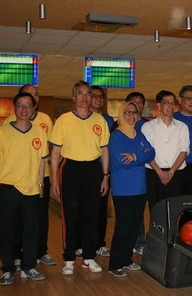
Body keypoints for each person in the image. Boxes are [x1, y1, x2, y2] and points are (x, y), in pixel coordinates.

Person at [0, 93, 48, 285]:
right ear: (14, 109)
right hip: (9, 188)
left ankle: (29, 267)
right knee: (7, 231)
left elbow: (41, 161)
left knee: (31, 230)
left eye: (28, 105)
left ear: (33, 109)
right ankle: (8, 269)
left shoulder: (39, 132)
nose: (24, 109)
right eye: (20, 105)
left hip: (31, 189)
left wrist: (40, 184)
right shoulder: (1, 132)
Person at [49, 81, 110, 276]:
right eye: (81, 93)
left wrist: (105, 176)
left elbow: (104, 150)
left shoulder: (99, 120)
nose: (85, 97)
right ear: (74, 97)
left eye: (88, 94)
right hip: (71, 168)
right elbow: (55, 152)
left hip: (93, 169)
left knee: (91, 215)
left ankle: (89, 257)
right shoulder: (64, 120)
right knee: (71, 216)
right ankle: (68, 259)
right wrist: (54, 180)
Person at [3, 84, 56, 267]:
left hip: (42, 177)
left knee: (40, 218)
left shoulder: (45, 120)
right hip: (17, 179)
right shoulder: (9, 121)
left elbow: (49, 147)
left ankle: (41, 252)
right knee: (17, 220)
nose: (34, 97)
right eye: (28, 95)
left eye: (36, 94)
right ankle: (16, 254)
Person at [107, 102, 155, 277]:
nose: (131, 116)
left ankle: (126, 259)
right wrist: (141, 157)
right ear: (121, 114)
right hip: (123, 189)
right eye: (127, 112)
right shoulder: (117, 136)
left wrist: (135, 156)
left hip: (140, 187)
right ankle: (115, 264)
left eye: (134, 113)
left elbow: (152, 153)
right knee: (123, 226)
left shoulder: (139, 135)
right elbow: (121, 161)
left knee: (134, 226)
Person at [141, 90, 189, 210]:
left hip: (177, 174)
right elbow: (146, 152)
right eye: (166, 103)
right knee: (156, 209)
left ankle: (173, 230)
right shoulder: (147, 127)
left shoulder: (182, 127)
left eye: (173, 103)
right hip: (154, 173)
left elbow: (184, 151)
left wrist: (172, 171)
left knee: (176, 210)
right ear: (159, 105)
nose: (170, 106)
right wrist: (160, 172)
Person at [90, 86, 114, 259]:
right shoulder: (83, 117)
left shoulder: (108, 120)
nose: (98, 99)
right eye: (95, 96)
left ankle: (99, 244)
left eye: (101, 97)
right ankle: (82, 244)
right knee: (85, 208)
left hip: (104, 169)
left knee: (100, 209)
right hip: (87, 167)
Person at [125, 91, 149, 256]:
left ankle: (141, 241)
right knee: (131, 211)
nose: (137, 105)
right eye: (133, 102)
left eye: (140, 102)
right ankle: (133, 241)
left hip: (147, 170)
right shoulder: (121, 127)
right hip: (129, 174)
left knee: (142, 209)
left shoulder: (147, 125)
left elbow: (150, 151)